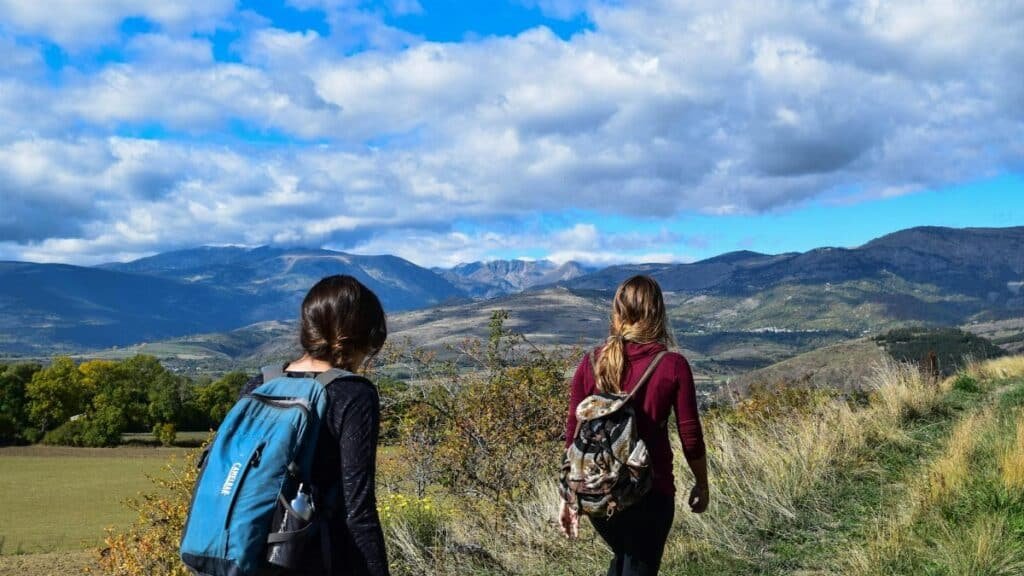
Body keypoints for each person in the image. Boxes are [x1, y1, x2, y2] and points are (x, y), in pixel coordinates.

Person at [239, 275, 389, 576]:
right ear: (361, 337)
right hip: (315, 560)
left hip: (245, 557)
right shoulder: (353, 394)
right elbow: (358, 511)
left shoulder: (259, 385)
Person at [560, 275, 709, 576]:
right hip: (650, 492)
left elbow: (573, 438)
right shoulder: (672, 365)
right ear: (658, 312)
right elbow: (690, 436)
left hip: (599, 493)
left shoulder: (590, 362)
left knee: (624, 561)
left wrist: (568, 496)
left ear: (618, 312)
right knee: (636, 564)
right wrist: (702, 483)